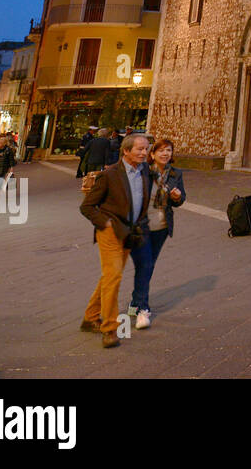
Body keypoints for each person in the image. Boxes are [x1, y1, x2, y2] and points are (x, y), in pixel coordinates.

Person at [79, 132, 153, 348]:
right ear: (126, 150)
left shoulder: (145, 170)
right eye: (139, 149)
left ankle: (91, 317)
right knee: (114, 277)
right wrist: (105, 223)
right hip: (110, 231)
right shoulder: (110, 174)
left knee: (110, 276)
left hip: (130, 231)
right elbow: (86, 207)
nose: (143, 152)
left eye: (146, 149)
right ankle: (109, 328)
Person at [128, 138, 185, 330]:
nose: (165, 154)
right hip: (141, 226)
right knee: (145, 265)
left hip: (161, 226)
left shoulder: (176, 173)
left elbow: (181, 199)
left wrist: (177, 197)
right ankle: (143, 309)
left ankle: (135, 303)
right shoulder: (143, 171)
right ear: (152, 154)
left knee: (147, 265)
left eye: (168, 150)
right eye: (161, 150)